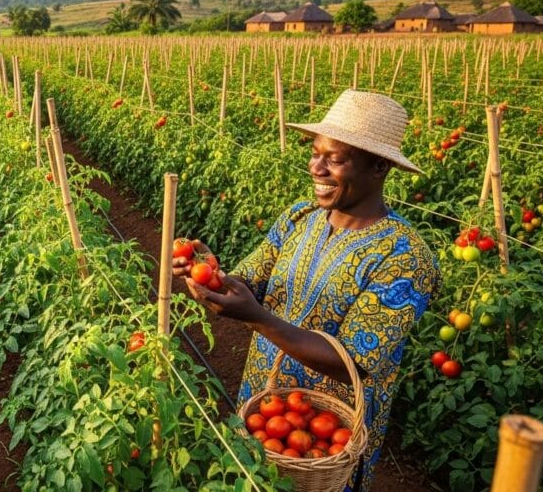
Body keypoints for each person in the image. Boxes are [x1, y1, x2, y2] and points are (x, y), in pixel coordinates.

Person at [173, 89, 441, 492]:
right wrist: (210, 271)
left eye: (335, 159)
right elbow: (250, 280)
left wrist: (257, 317)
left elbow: (356, 361)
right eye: (316, 152)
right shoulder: (300, 217)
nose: (316, 167)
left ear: (380, 166)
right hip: (266, 407)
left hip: (326, 435)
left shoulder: (404, 257)